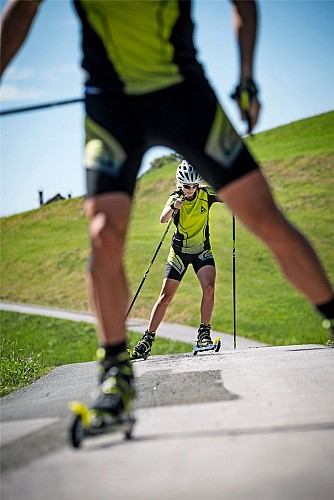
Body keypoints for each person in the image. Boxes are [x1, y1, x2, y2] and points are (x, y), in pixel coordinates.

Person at [1, 1, 333, 422]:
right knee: (103, 233)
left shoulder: (202, 193)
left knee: (264, 214)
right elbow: (22, 7)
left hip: (185, 96)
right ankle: (116, 374)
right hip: (112, 105)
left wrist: (247, 77)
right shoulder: (175, 198)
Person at [132, 160, 221, 360]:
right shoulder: (176, 197)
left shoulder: (206, 195)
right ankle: (147, 339)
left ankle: (204, 334)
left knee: (209, 288)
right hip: (179, 253)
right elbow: (163, 218)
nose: (190, 190)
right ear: (180, 184)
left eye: (194, 186)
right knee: (165, 297)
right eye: (186, 186)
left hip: (201, 251)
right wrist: (174, 207)